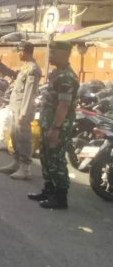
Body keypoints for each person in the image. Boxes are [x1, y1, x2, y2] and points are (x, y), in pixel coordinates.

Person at [28, 41, 78, 209]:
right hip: (47, 122)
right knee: (46, 157)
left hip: (58, 126)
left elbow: (63, 106)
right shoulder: (57, 73)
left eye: (54, 53)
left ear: (65, 54)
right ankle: (48, 190)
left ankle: (60, 197)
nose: (51, 56)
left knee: (56, 160)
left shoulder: (67, 77)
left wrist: (55, 129)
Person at [0, 42, 42, 180]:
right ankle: (16, 162)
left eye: (19, 51)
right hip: (16, 108)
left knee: (23, 139)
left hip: (23, 110)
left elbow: (29, 93)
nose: (18, 54)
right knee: (14, 136)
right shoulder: (25, 67)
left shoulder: (33, 69)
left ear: (25, 52)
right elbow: (14, 75)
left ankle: (25, 168)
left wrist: (24, 113)